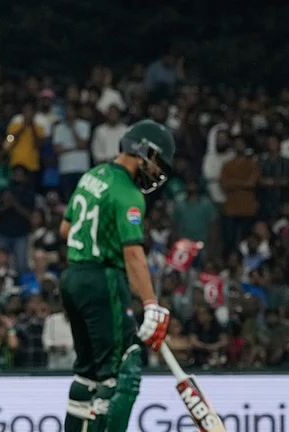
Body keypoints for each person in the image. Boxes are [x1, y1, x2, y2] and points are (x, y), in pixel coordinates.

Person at [59, 119, 174, 432]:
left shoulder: (92, 175)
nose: (157, 171)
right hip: (102, 280)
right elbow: (133, 254)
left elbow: (66, 229)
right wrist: (150, 303)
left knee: (87, 373)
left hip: (73, 277)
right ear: (143, 150)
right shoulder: (128, 194)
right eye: (157, 160)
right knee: (122, 369)